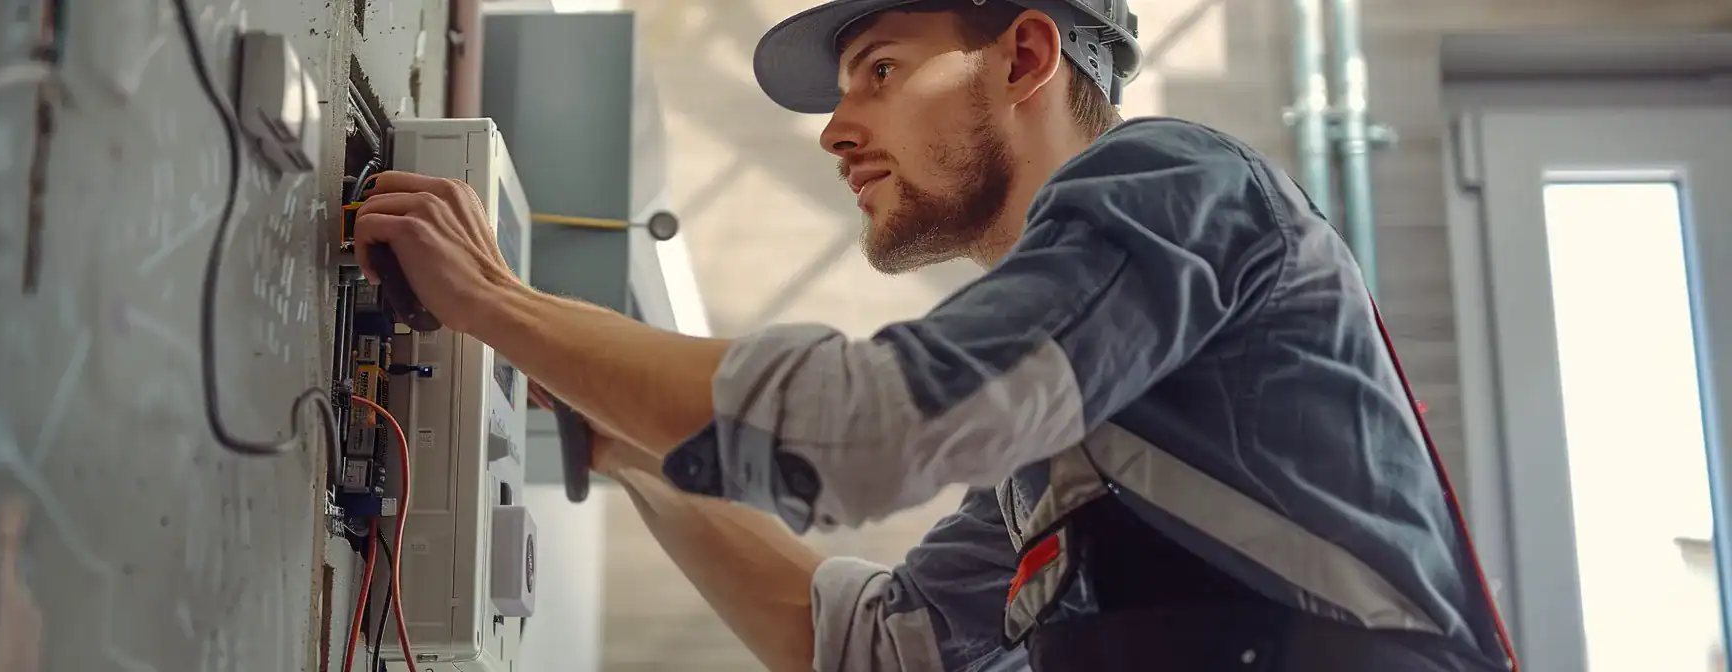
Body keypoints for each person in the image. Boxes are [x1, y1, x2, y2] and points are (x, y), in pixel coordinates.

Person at [349, 0, 1519, 669]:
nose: (834, 131)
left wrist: (493, 299)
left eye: (880, 70)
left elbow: (871, 429)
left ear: (1022, 57)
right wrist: (622, 452)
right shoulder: (1063, 443)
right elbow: (871, 649)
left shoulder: (1174, 181)